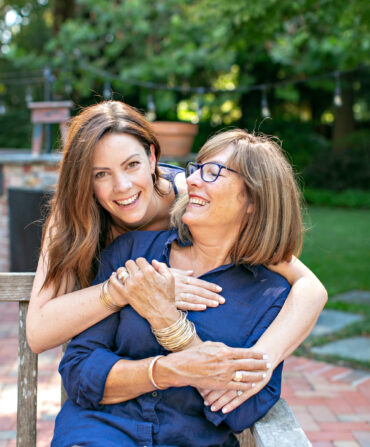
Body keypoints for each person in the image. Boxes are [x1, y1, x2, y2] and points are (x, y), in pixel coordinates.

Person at [27, 101, 326, 413]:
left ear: (152, 157)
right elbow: (38, 332)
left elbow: (310, 287)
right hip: (109, 373)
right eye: (100, 174)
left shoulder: (193, 200)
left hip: (173, 394)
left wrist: (261, 362)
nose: (122, 186)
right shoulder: (71, 220)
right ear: (84, 180)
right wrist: (129, 288)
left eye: (132, 165)